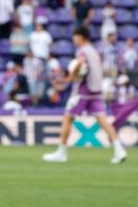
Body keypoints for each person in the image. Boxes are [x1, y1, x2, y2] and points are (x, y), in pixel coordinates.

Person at [43, 25, 127, 164]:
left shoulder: (82, 51)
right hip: (96, 91)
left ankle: (61, 152)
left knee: (67, 118)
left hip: (83, 91)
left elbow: (80, 63)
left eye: (75, 37)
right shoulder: (94, 51)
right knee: (103, 121)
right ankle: (119, 149)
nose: (74, 39)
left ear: (80, 37)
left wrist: (71, 76)